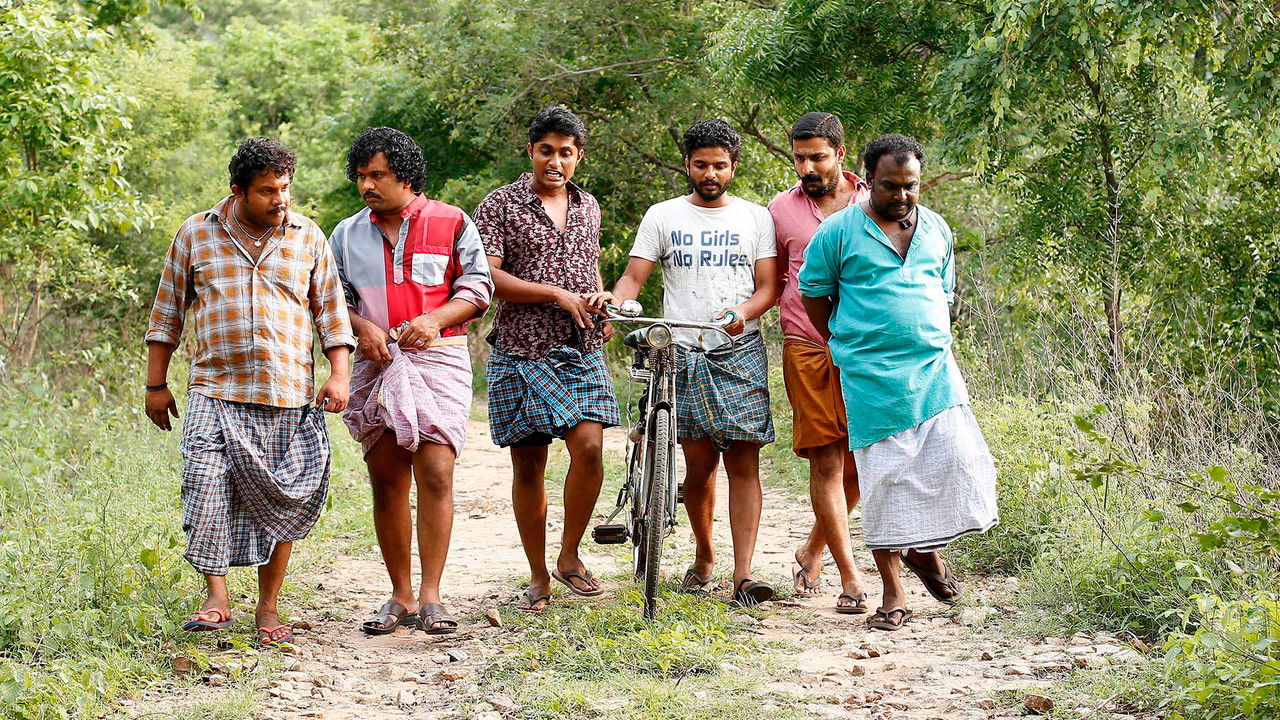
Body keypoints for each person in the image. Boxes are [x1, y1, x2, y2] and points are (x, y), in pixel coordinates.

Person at [144, 137, 354, 647]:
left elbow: (331, 312)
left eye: (284, 187)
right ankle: (216, 597)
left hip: (286, 393)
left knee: (281, 500)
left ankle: (267, 607)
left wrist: (340, 373)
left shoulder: (308, 237)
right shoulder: (196, 233)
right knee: (204, 483)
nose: (279, 199)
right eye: (266, 190)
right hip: (214, 389)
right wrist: (155, 384)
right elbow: (167, 312)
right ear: (237, 191)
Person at [798, 133, 999, 631]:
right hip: (870, 378)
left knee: (958, 463)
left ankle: (925, 551)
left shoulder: (937, 229)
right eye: (891, 186)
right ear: (868, 182)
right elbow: (814, 295)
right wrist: (842, 342)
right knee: (884, 482)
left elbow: (943, 290)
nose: (903, 196)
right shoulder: (838, 233)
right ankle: (892, 592)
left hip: (934, 371)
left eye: (911, 186)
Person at [601, 119, 779, 607]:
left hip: (737, 348)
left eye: (720, 165)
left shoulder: (755, 218)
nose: (710, 173)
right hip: (679, 349)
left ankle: (744, 575)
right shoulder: (663, 216)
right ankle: (705, 557)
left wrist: (741, 314)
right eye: (701, 164)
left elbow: (768, 287)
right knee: (699, 467)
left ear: (733, 167)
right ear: (687, 164)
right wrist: (617, 301)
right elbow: (634, 276)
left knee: (745, 461)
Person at [328, 127, 494, 635]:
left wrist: (435, 319)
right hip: (375, 362)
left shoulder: (452, 222)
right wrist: (363, 328)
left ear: (405, 176)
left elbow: (478, 288)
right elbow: (334, 299)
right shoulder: (345, 233)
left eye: (376, 175)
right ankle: (399, 594)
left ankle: (432, 594)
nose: (366, 185)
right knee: (387, 480)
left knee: (437, 473)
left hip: (439, 358)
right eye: (360, 176)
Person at [473, 106, 619, 613]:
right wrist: (556, 294)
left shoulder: (588, 206)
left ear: (578, 156)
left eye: (565, 153)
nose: (555, 161)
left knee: (590, 450)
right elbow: (491, 279)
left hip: (582, 345)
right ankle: (537, 573)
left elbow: (589, 268)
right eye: (546, 151)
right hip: (520, 348)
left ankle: (570, 555)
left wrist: (597, 295)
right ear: (531, 152)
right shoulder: (500, 205)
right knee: (529, 462)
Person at [768, 112, 871, 614]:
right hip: (806, 345)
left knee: (859, 459)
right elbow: (770, 280)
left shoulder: (874, 203)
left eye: (817, 156)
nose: (807, 166)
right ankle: (850, 579)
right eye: (799, 157)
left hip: (864, 349)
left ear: (841, 154)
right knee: (827, 459)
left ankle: (812, 548)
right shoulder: (779, 210)